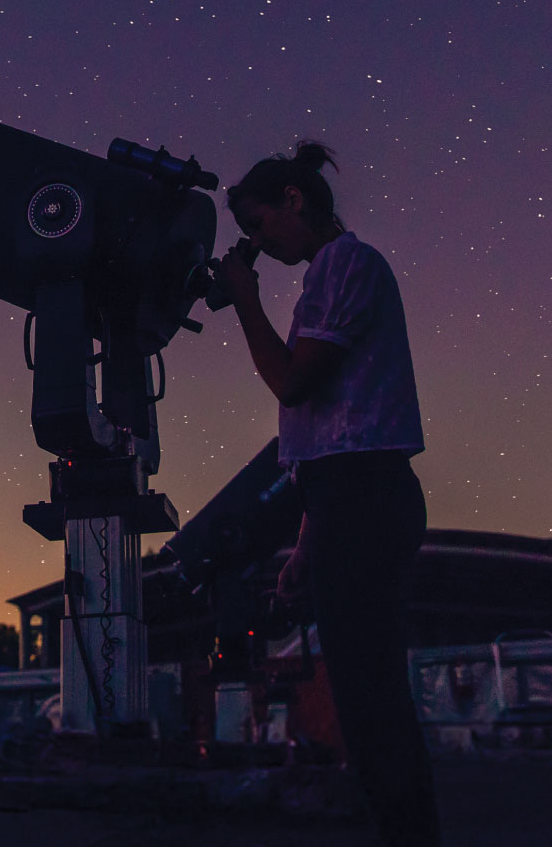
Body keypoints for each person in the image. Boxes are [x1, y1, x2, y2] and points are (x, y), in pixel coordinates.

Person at [206, 142, 439, 847]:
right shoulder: (325, 276)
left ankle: (408, 834)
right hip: (346, 494)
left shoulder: (345, 264)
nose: (257, 241)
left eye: (259, 222)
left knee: (370, 692)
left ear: (294, 201)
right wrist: (307, 543)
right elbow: (327, 430)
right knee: (361, 687)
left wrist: (244, 301)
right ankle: (397, 827)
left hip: (365, 494)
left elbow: (294, 382)